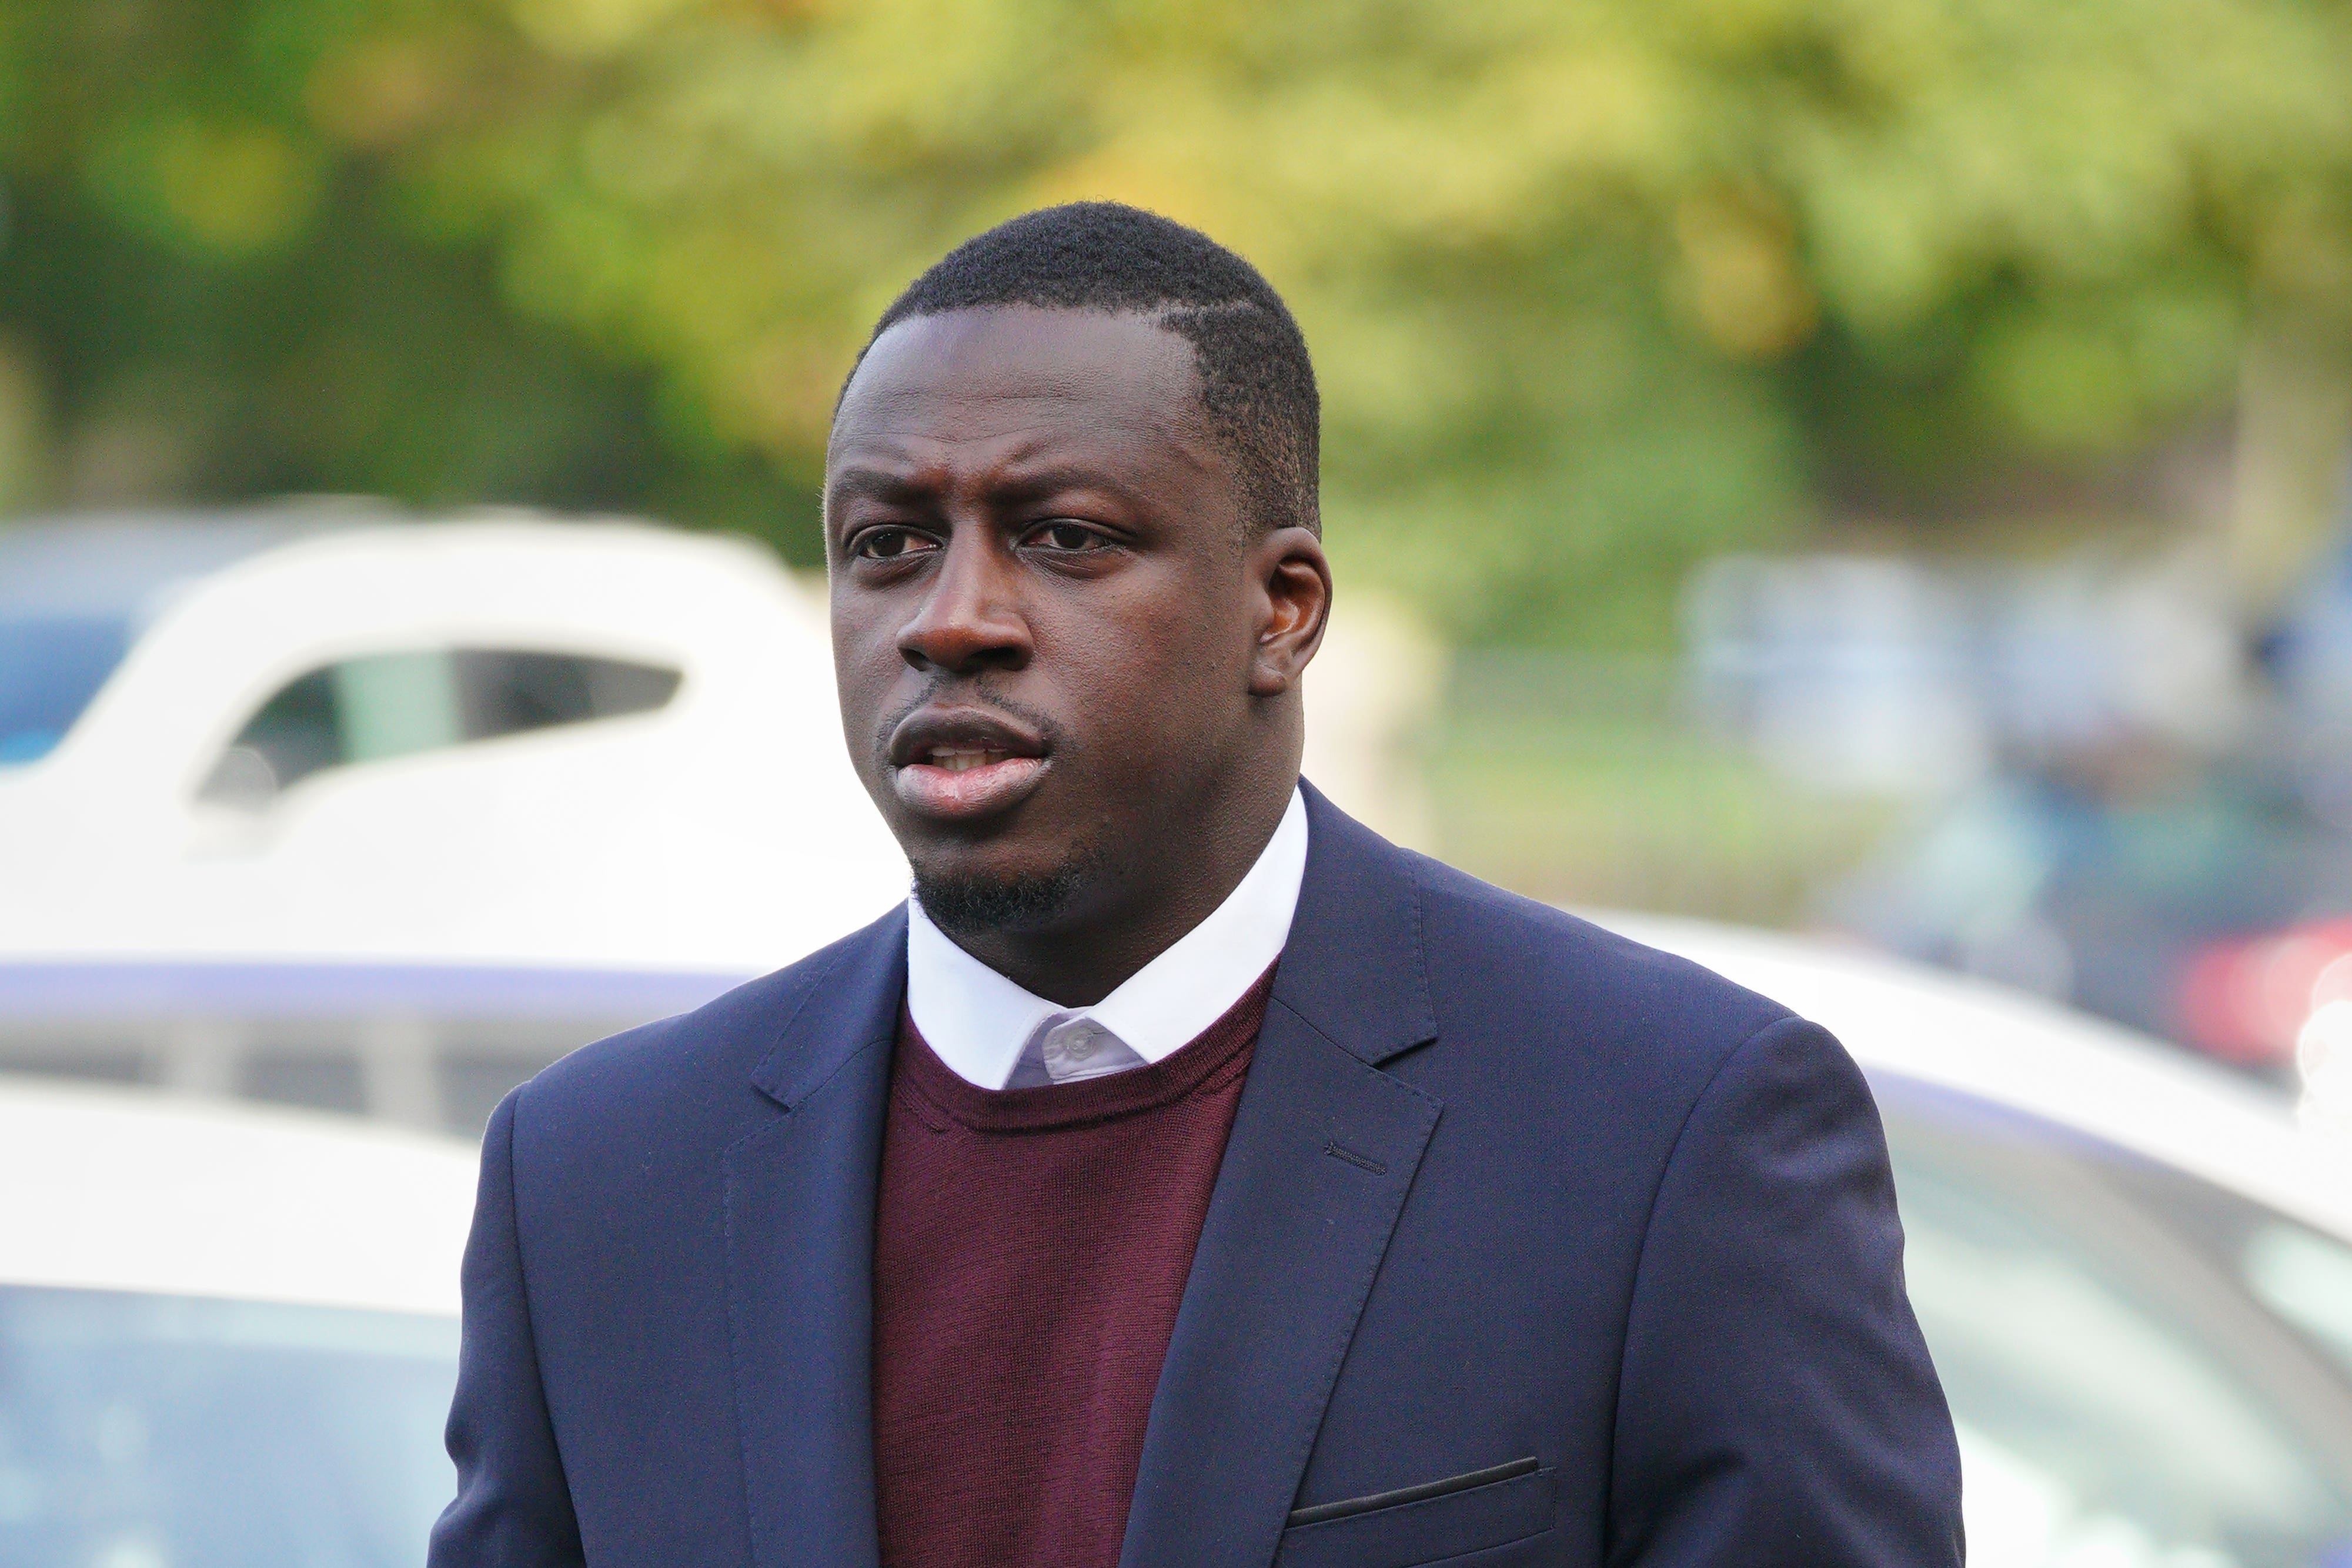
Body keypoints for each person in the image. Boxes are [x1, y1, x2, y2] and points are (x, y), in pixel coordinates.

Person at [429, 202, 1964, 1568]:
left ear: (1281, 610)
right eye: (888, 543)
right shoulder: (599, 1185)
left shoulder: (1662, 1135)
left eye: (1064, 537)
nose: (951, 619)